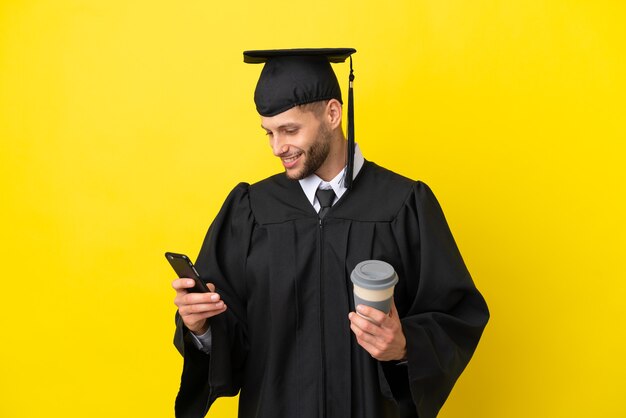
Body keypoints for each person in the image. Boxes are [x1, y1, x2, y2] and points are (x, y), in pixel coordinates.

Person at [171, 48, 489, 418]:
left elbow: (456, 316)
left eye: (290, 130)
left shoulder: (403, 204)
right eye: (269, 133)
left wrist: (404, 347)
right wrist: (200, 327)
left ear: (333, 114)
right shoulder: (251, 211)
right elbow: (234, 339)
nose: (278, 147)